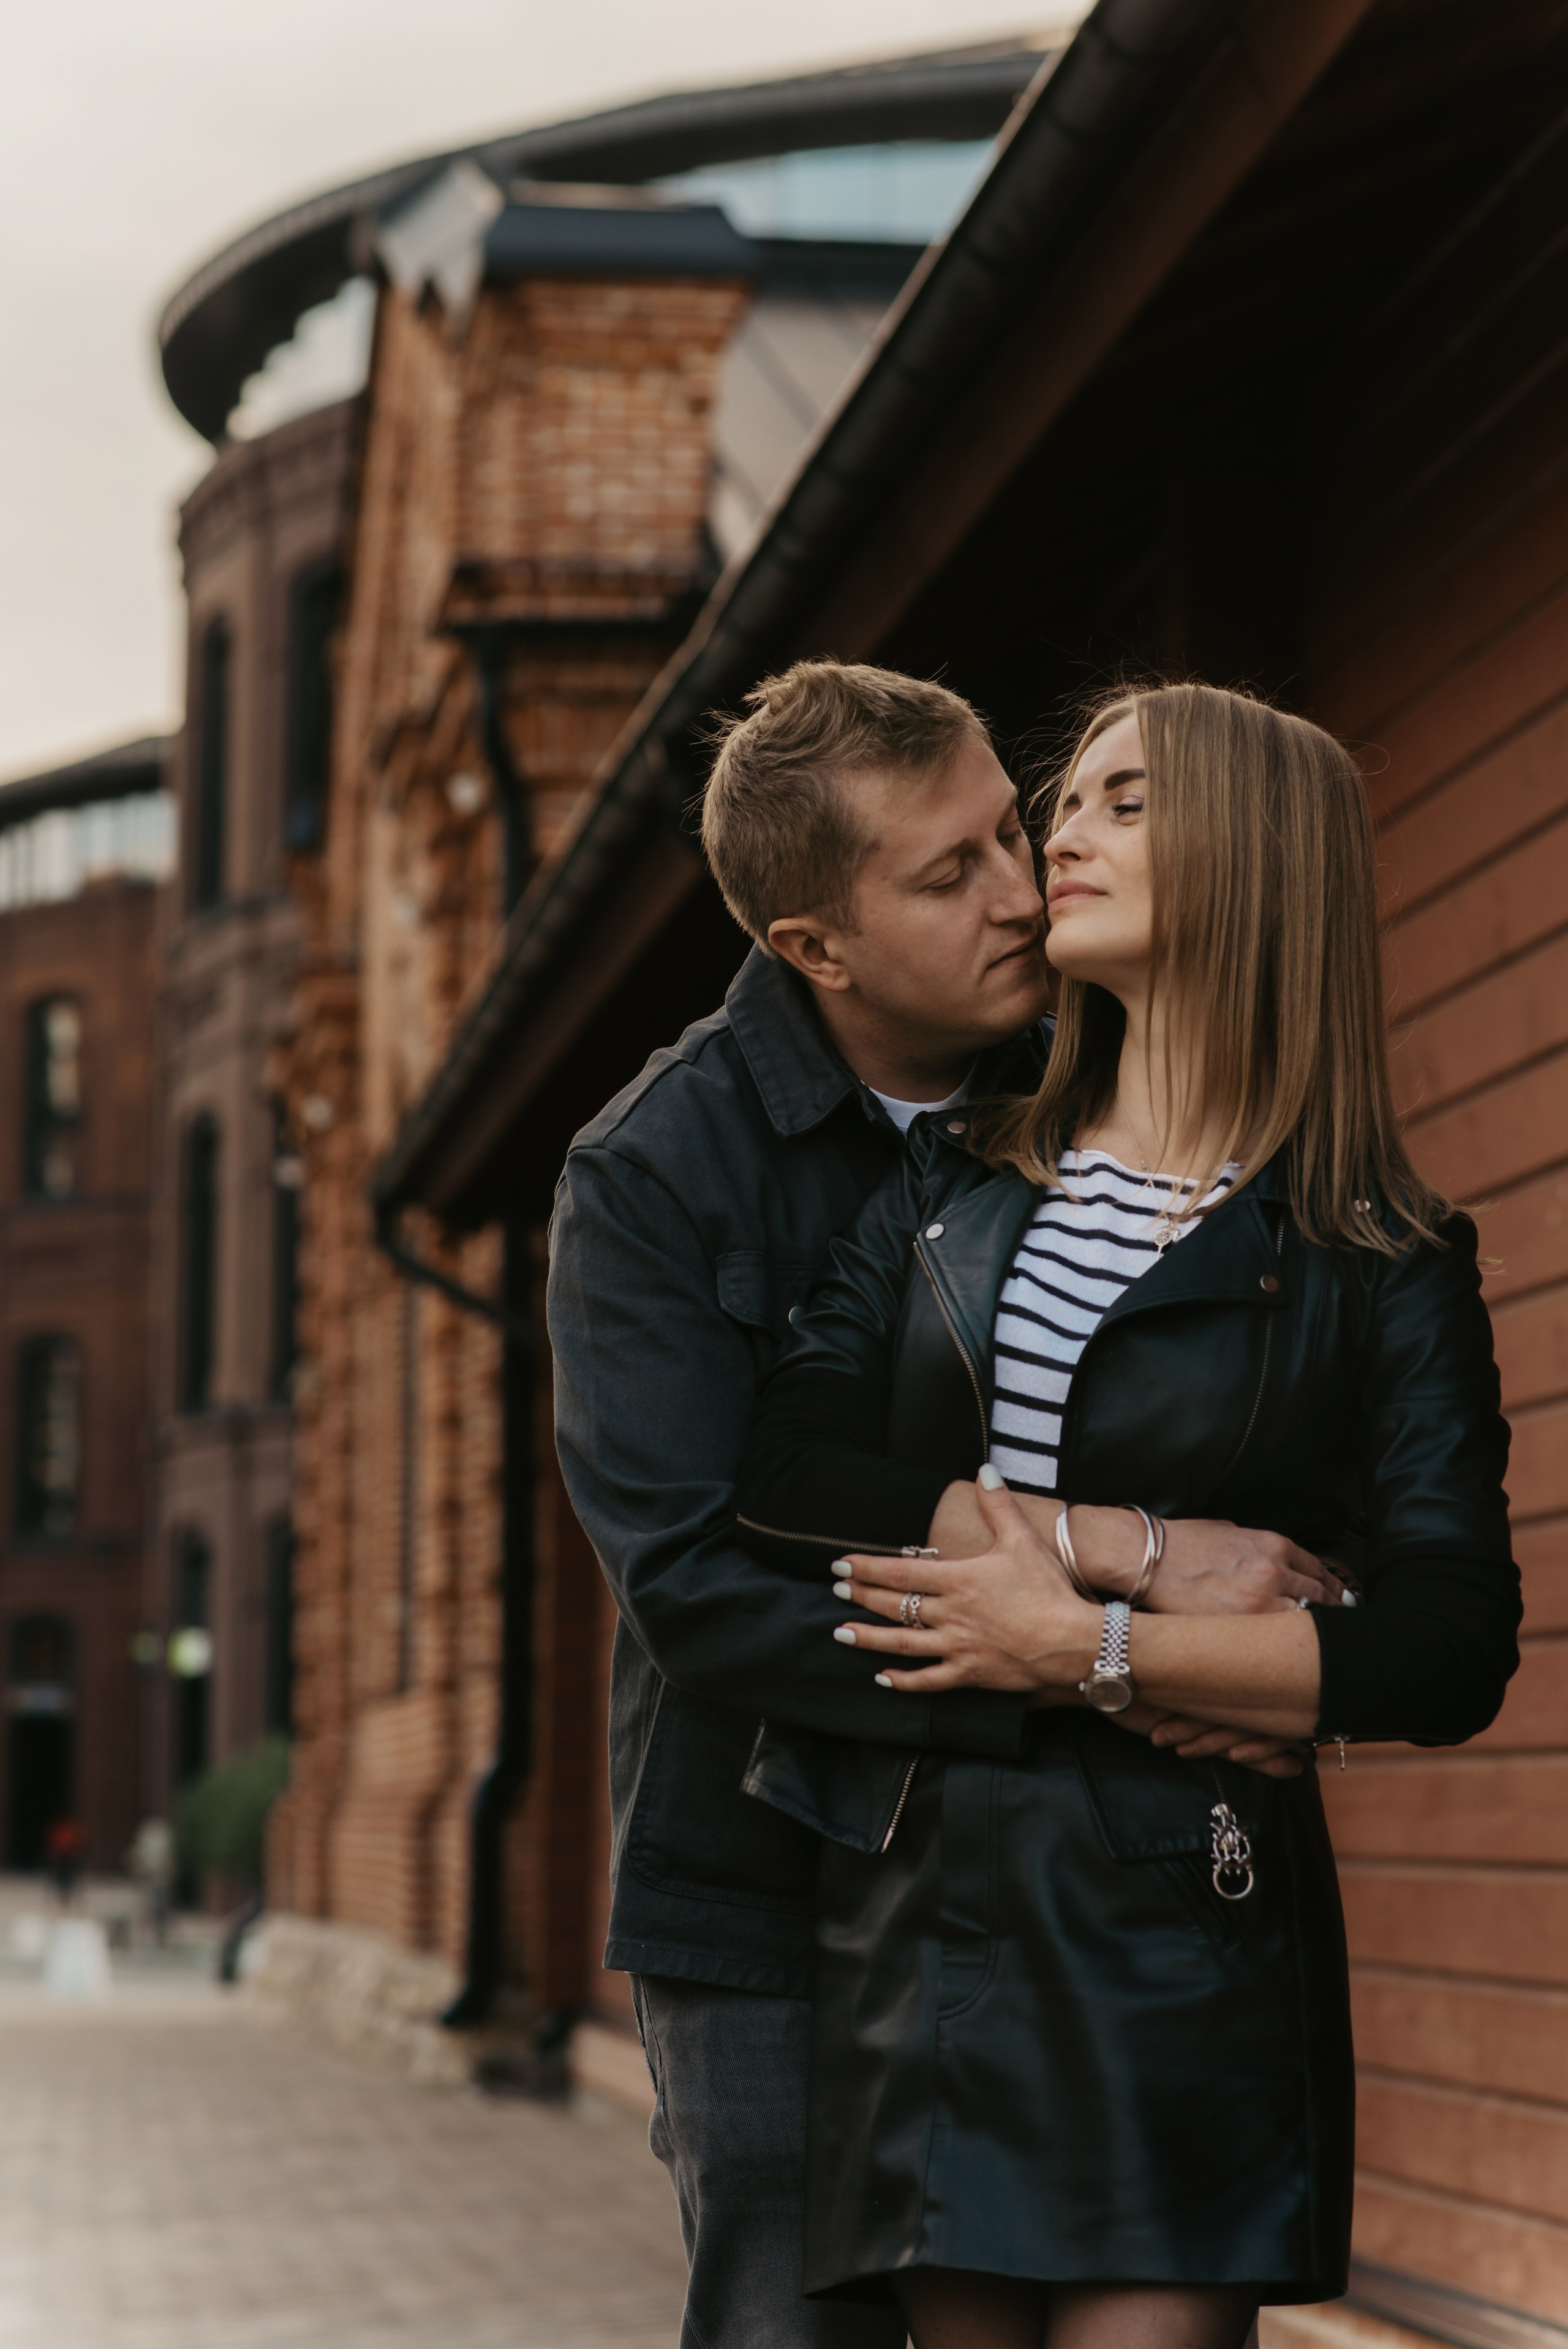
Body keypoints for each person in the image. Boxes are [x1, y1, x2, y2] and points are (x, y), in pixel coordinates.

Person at [548, 662, 1351, 2349]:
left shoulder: (1114, 1081)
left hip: (1081, 1880)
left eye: (1013, 825)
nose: (1022, 888)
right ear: (810, 945)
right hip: (769, 1892)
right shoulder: (653, 1173)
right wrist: (1083, 1646)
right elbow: (699, 1577)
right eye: (949, 872)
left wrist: (1236, 1639)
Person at [736, 680, 1520, 2349]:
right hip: (932, 1910)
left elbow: (1449, 1647)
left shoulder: (1380, 1255)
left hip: (1189, 1924)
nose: (1059, 840)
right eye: (1063, 798)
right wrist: (1129, 1552)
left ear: (1258, 854)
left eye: (1124, 801)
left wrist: (1085, 1647)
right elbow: (785, 1473)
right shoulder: (950, 1183)